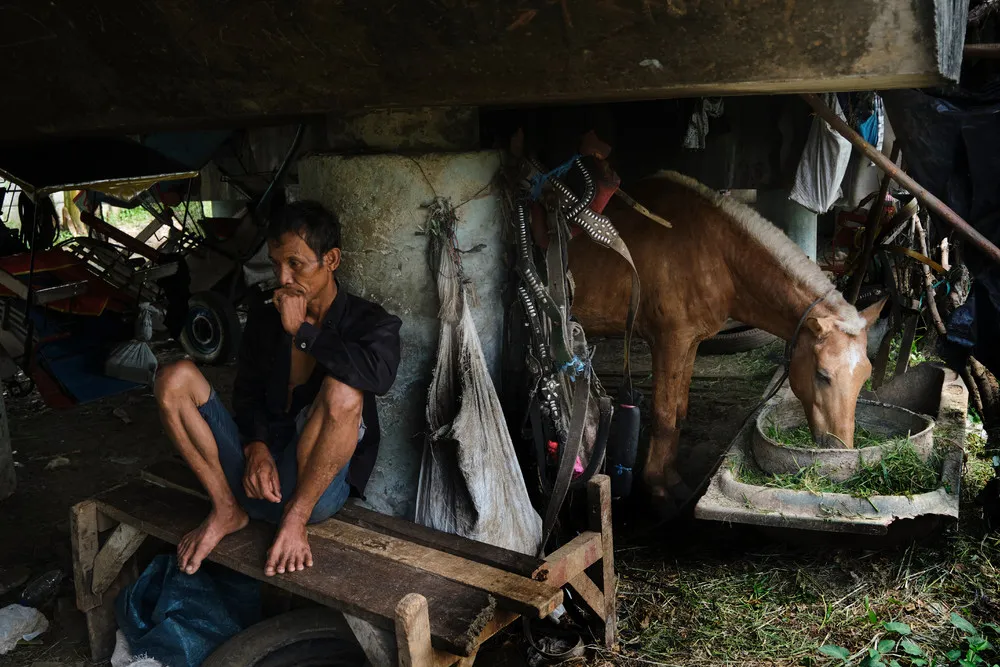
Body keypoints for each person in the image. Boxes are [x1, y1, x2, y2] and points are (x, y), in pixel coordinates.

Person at [155, 201, 402, 577]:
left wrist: (303, 334)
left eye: (295, 264)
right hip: (250, 481)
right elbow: (248, 392)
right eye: (275, 264)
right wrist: (256, 446)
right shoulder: (264, 317)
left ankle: (293, 521)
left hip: (312, 493)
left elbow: (378, 377)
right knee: (173, 377)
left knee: (346, 390)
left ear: (331, 260)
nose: (283, 277)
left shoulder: (371, 322)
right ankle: (225, 509)